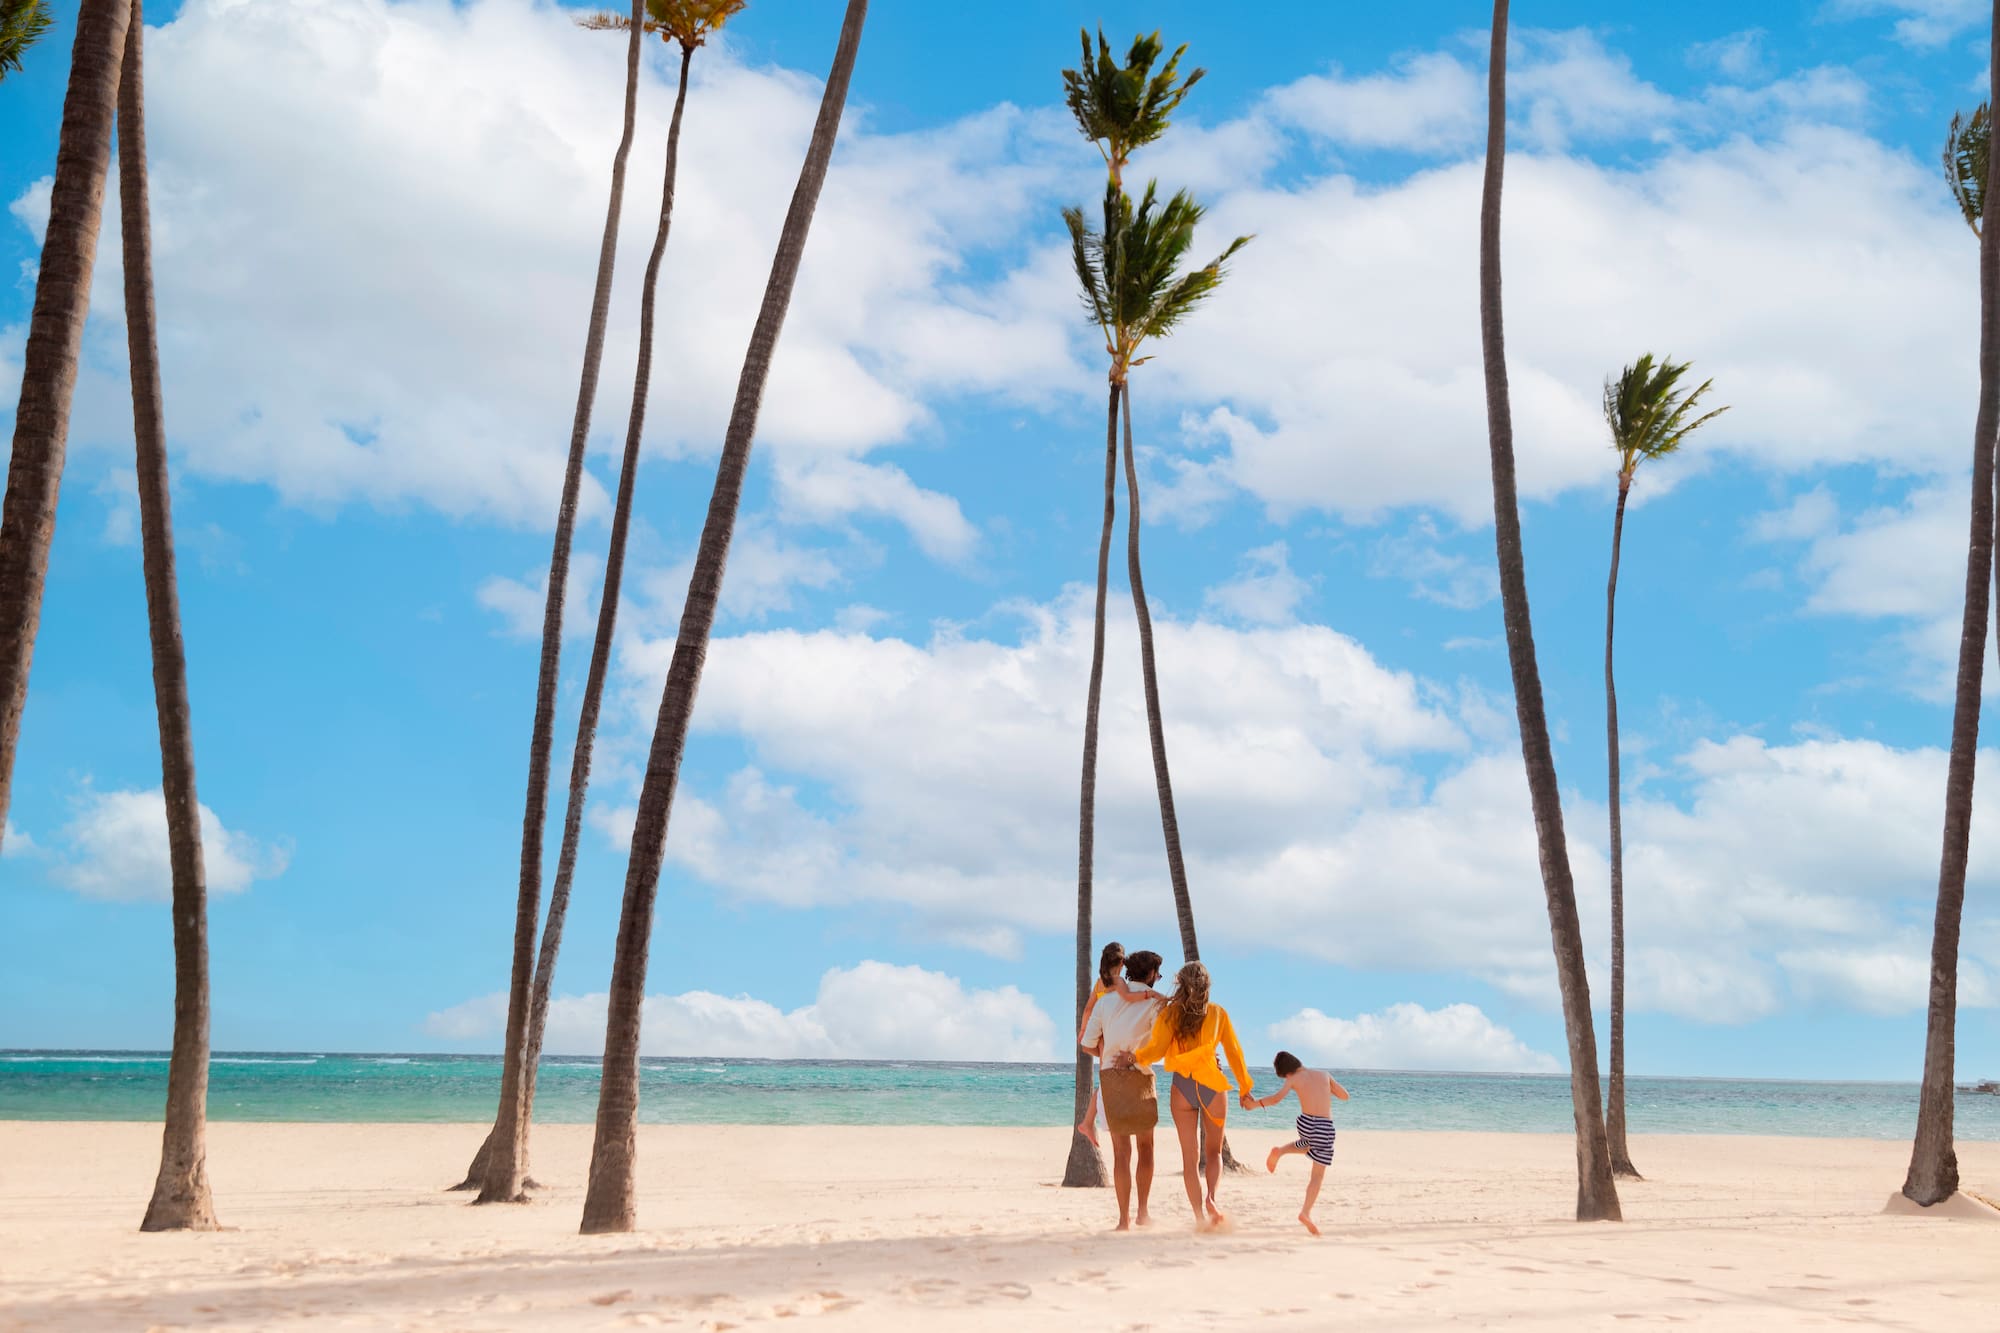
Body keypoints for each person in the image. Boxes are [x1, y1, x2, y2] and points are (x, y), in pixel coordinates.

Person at [1121, 961, 1252, 1230]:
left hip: (1183, 1086)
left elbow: (1156, 1048)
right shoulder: (1217, 1013)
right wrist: (1245, 1088)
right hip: (1212, 1084)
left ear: (1181, 983)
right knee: (1213, 1153)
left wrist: (1134, 1056)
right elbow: (1234, 1053)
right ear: (1207, 986)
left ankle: (1199, 1218)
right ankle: (1211, 1199)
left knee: (1189, 1160)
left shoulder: (1170, 1014)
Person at [1080, 950, 1166, 1230]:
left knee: (1121, 1153)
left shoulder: (1106, 1003)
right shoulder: (1156, 1004)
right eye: (1158, 973)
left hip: (1111, 1079)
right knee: (1146, 1148)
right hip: (1141, 1078)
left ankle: (1123, 1220)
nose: (1159, 978)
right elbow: (1161, 1048)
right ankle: (1142, 1213)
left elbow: (1086, 1044)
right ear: (1151, 974)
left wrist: (1108, 1055)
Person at [1244, 1050, 1349, 1236]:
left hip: (1305, 1123)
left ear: (1287, 1072)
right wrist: (1328, 1088)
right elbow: (1344, 1095)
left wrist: (1253, 1105)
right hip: (1325, 1127)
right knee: (1317, 1176)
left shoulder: (1293, 1079)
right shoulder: (1324, 1075)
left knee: (1308, 1143)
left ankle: (1281, 1151)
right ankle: (1306, 1213)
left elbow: (1276, 1099)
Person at [1075, 942, 1128, 1147]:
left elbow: (1088, 1009)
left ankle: (1089, 1121)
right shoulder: (1120, 983)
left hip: (1101, 1035)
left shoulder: (1100, 983)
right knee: (1109, 1078)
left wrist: (1083, 1031)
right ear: (1122, 962)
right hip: (1111, 1036)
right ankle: (1089, 1121)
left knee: (1106, 1077)